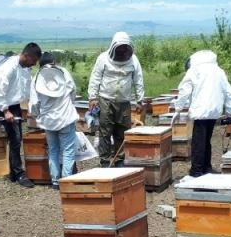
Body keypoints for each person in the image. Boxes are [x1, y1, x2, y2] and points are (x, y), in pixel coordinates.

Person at [173, 50, 231, 177]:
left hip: (200, 111)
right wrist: (229, 112)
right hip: (214, 111)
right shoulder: (219, 71)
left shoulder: (194, 70)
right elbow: (229, 92)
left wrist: (178, 109)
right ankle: (207, 167)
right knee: (206, 140)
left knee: (198, 141)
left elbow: (184, 91)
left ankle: (196, 171)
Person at [0, 42, 42, 188]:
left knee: (16, 139)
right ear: (27, 55)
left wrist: (30, 106)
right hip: (3, 105)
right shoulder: (9, 67)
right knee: (15, 139)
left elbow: (25, 88)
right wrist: (5, 111)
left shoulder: (24, 67)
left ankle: (13, 172)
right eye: (34, 60)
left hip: (14, 105)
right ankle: (18, 173)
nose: (34, 64)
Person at [88, 31, 145, 167]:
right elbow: (95, 78)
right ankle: (105, 161)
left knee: (122, 132)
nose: (122, 51)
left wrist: (140, 100)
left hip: (124, 102)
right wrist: (93, 97)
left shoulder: (134, 60)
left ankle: (120, 160)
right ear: (113, 46)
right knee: (105, 132)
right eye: (120, 48)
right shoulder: (103, 58)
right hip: (105, 100)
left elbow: (138, 80)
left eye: (125, 48)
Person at [28, 52, 78, 190]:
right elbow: (73, 91)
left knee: (53, 150)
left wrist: (37, 115)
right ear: (54, 62)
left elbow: (34, 103)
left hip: (49, 121)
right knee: (68, 151)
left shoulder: (37, 77)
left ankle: (55, 181)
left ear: (40, 65)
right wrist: (69, 104)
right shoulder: (64, 72)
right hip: (66, 117)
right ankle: (66, 181)